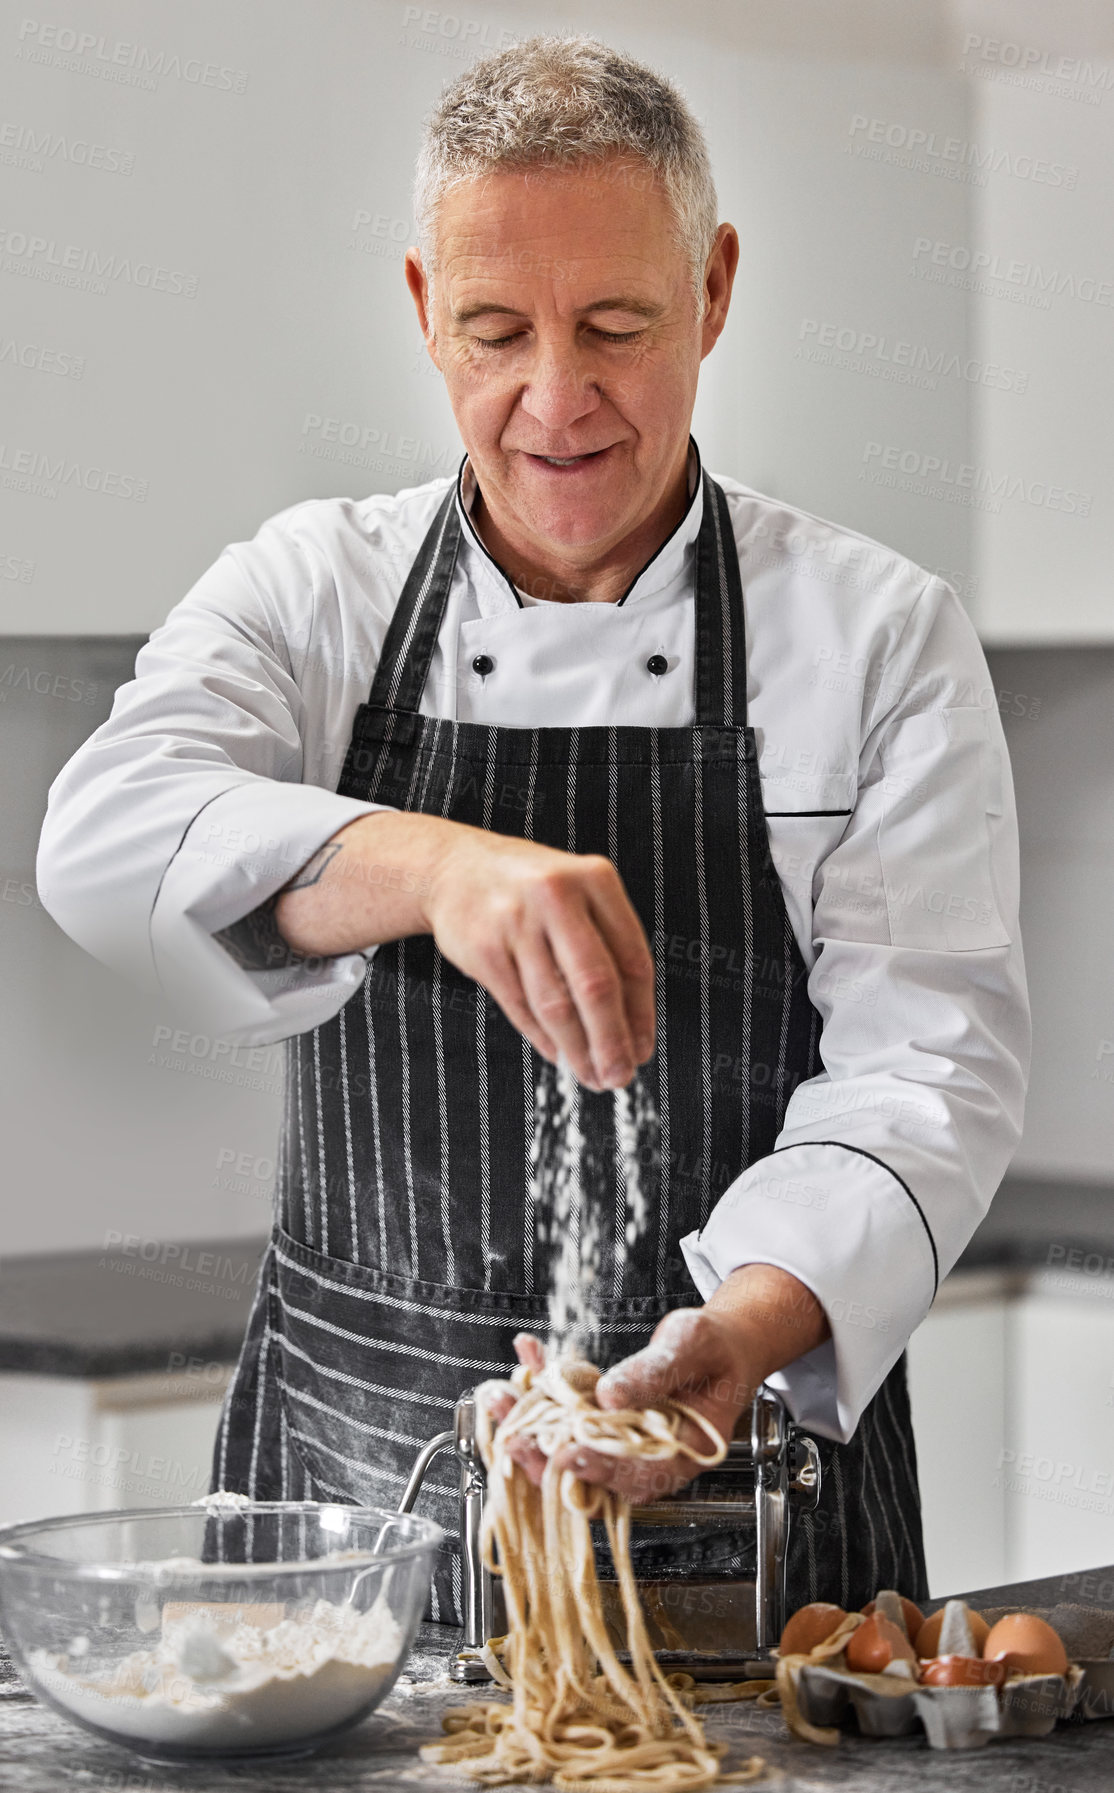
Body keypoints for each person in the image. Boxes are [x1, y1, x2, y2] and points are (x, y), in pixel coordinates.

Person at [36, 34, 1028, 1623]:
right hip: (351, 1495)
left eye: (616, 326)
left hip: (740, 1466)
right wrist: (438, 866)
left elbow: (927, 1070)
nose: (553, 401)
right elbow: (101, 837)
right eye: (494, 330)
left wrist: (733, 1340)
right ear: (425, 309)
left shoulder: (874, 634)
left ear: (711, 293)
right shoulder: (312, 590)